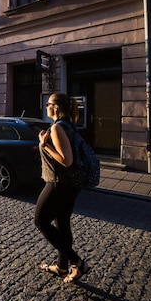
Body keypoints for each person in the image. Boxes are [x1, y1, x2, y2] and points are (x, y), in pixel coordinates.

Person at [35, 92, 90, 284]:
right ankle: (62, 267)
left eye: (48, 104)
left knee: (41, 221)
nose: (46, 106)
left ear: (56, 107)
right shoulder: (69, 125)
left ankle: (77, 262)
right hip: (70, 184)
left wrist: (44, 144)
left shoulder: (58, 127)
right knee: (62, 223)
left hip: (59, 182)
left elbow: (66, 160)